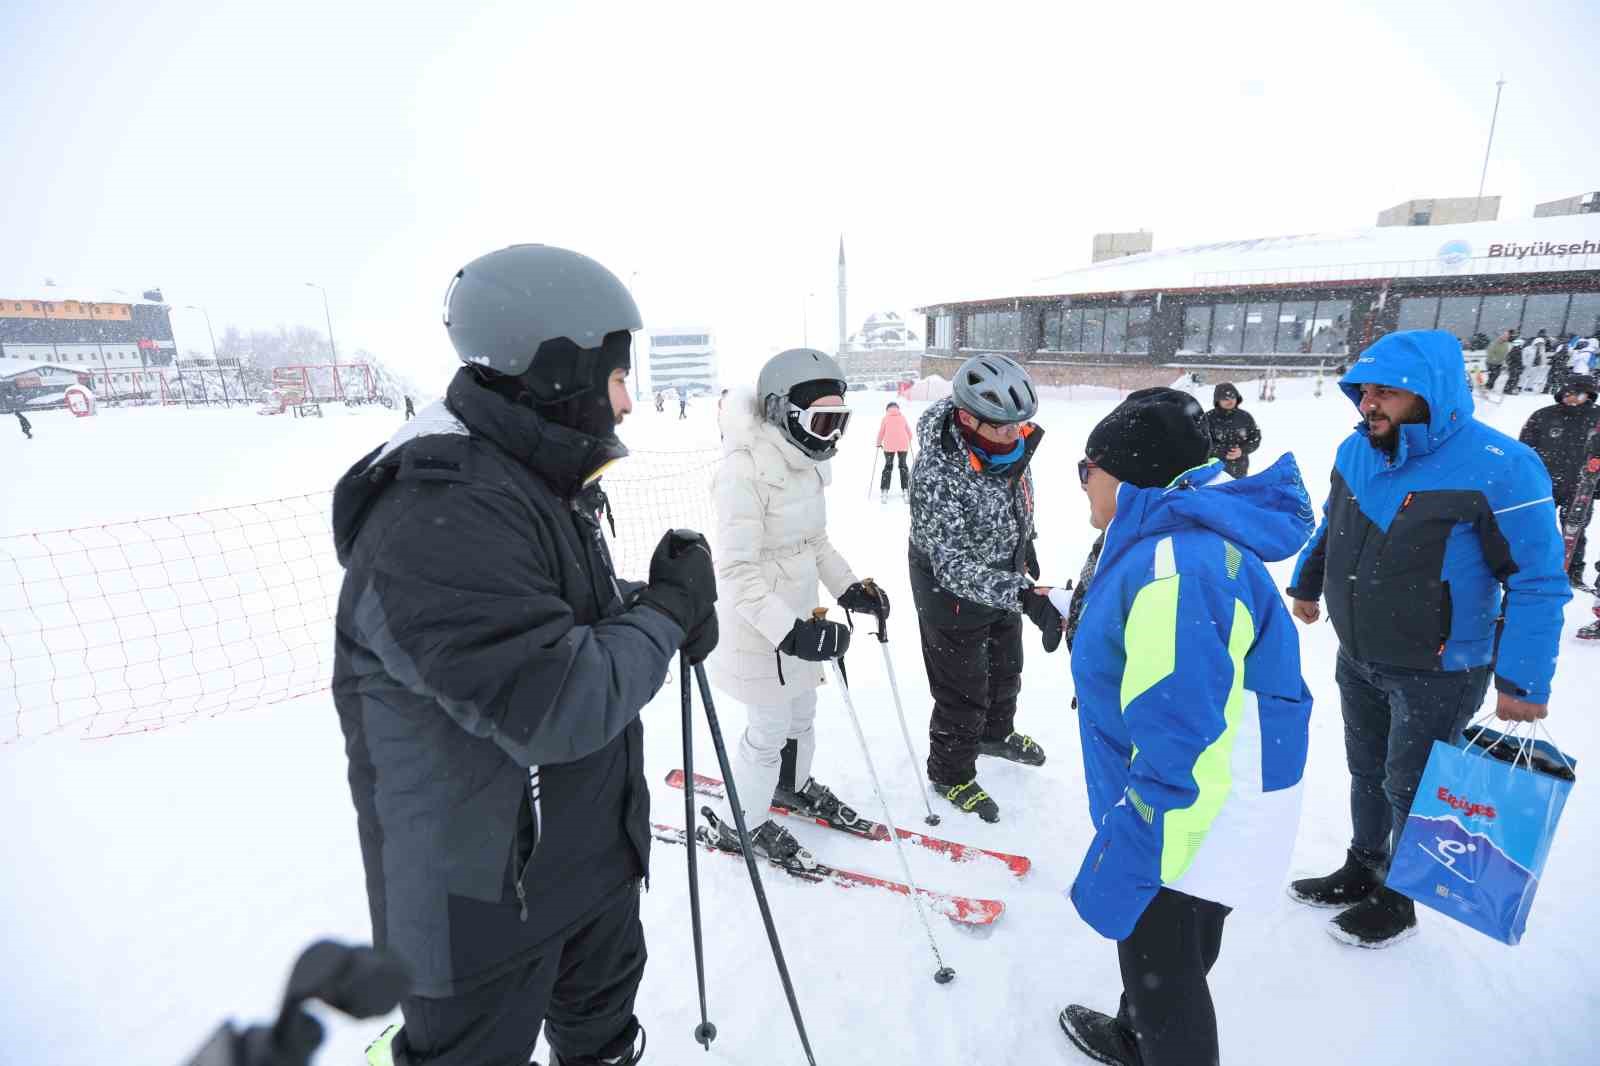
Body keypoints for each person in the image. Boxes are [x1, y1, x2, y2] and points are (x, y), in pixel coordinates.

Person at [332, 244, 718, 1066]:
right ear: (555, 369)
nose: (627, 401)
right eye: (617, 376)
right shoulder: (435, 510)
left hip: (583, 858)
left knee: (601, 1039)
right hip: (475, 901)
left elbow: (554, 611)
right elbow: (556, 701)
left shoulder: (527, 474)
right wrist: (665, 619)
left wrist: (658, 609)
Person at [1285, 329, 1570, 948]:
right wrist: (1307, 584)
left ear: (1431, 393)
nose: (1370, 403)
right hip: (1359, 652)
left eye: (1387, 391)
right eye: (1364, 390)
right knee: (1365, 770)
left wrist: (1522, 680)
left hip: (1441, 666)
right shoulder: (1357, 451)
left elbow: (1539, 582)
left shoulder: (1503, 467)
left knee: (1413, 785)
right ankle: (1364, 865)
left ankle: (1400, 896)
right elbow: (1334, 526)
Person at [1054, 388, 1313, 1066]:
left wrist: (1144, 829)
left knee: (1165, 962)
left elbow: (1184, 731)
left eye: (1089, 468)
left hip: (1192, 803)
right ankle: (1136, 1032)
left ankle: (1155, 1039)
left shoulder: (1177, 567)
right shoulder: (1170, 542)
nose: (1082, 482)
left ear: (1131, 475)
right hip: (1211, 794)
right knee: (1181, 942)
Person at [705, 348, 887, 865]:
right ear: (783, 411)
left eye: (840, 422)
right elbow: (736, 571)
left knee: (802, 717)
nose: (830, 435)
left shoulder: (803, 465)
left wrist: (851, 588)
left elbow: (815, 543)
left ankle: (791, 784)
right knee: (766, 732)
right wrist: (788, 631)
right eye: (822, 421)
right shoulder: (743, 473)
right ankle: (744, 823)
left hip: (800, 619)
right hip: (758, 630)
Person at [908, 354, 1056, 822]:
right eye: (1003, 426)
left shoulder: (1008, 444)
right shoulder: (939, 473)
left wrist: (1023, 544)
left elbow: (1018, 496)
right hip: (949, 592)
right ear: (968, 418)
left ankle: (995, 734)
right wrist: (1026, 596)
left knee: (1006, 668)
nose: (1015, 435)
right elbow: (951, 566)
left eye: (1020, 424)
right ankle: (950, 773)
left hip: (1002, 577)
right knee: (963, 689)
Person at [1520, 374, 1600, 587]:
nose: (1569, 397)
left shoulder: (1598, 418)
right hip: (1544, 483)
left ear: (1589, 395)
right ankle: (1530, 567)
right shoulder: (1544, 416)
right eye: (1566, 392)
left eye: (1575, 393)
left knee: (1575, 530)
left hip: (1582, 486)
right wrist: (1524, 478)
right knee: (1536, 526)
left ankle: (1572, 572)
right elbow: (1524, 450)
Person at [1202, 382, 1261, 478]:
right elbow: (1202, 442)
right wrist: (1220, 451)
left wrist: (1242, 450)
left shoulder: (1245, 417)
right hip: (1214, 469)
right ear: (1218, 400)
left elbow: (1255, 438)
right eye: (1225, 398)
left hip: (1240, 469)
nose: (1230, 401)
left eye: (1233, 397)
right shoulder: (1208, 418)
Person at [876, 399, 913, 500]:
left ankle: (884, 490)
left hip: (889, 446)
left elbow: (881, 432)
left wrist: (878, 443)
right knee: (903, 466)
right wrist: (907, 441)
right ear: (897, 409)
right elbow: (909, 433)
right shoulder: (902, 417)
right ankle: (906, 489)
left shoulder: (885, 418)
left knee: (888, 466)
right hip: (903, 445)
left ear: (887, 409)